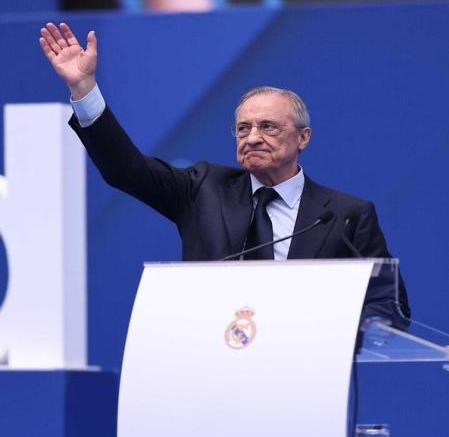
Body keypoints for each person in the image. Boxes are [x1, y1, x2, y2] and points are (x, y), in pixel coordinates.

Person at [39, 22, 410, 322]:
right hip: (213, 367)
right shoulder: (202, 189)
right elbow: (126, 169)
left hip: (304, 375)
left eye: (268, 127)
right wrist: (84, 89)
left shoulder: (346, 217)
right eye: (243, 128)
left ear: (303, 137)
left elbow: (389, 309)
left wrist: (332, 328)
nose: (253, 137)